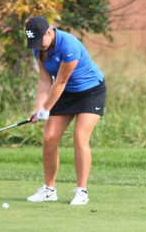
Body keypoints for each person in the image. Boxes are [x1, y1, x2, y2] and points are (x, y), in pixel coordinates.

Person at [24, 16, 107, 206]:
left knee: (79, 136)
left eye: (39, 40)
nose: (38, 46)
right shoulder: (40, 47)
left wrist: (47, 108)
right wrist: (39, 109)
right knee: (49, 139)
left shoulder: (69, 44)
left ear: (49, 32)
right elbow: (46, 81)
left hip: (90, 92)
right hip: (65, 93)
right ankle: (49, 190)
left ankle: (81, 192)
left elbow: (60, 81)